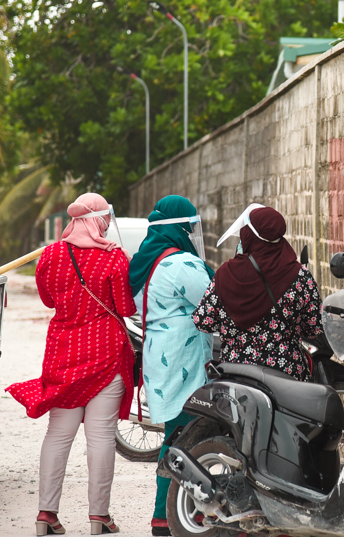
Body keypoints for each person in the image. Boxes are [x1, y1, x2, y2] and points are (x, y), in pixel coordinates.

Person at [8, 193, 135, 536]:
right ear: (98, 219)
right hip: (106, 355)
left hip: (63, 355)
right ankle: (99, 518)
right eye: (106, 217)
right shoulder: (114, 258)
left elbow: (48, 299)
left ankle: (46, 515)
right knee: (101, 438)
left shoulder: (52, 254)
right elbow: (125, 307)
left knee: (58, 436)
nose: (108, 224)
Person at [127, 195, 214, 537]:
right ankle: (164, 516)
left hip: (159, 355)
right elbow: (212, 301)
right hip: (182, 358)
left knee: (176, 433)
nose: (192, 234)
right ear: (178, 228)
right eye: (189, 227)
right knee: (182, 435)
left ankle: (171, 511)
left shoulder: (146, 261)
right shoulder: (178, 264)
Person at [193, 205, 323, 381]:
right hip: (287, 378)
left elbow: (203, 322)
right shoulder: (300, 277)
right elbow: (314, 328)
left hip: (236, 375)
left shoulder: (225, 275)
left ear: (248, 235)